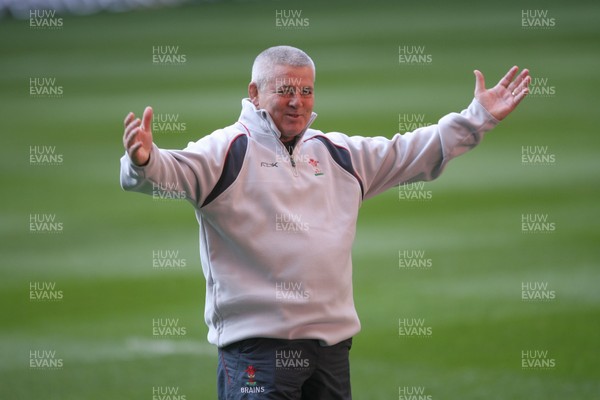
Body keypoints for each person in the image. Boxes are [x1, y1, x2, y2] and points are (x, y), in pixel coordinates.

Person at [120, 45, 529, 399]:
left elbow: (409, 152)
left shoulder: (337, 153)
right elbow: (167, 172)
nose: (297, 101)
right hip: (257, 350)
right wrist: (143, 161)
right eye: (285, 90)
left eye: (306, 90)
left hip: (331, 347)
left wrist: (478, 118)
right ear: (255, 93)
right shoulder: (227, 150)